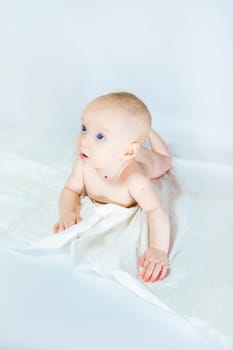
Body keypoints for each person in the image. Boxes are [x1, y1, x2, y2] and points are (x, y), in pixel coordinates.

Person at [53, 92, 173, 283]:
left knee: (165, 161)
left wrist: (158, 249)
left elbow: (155, 211)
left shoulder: (135, 179)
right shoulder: (84, 165)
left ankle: (149, 132)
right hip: (129, 152)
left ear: (127, 151)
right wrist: (67, 212)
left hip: (145, 159)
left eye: (100, 136)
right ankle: (142, 132)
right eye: (84, 128)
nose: (84, 141)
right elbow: (70, 190)